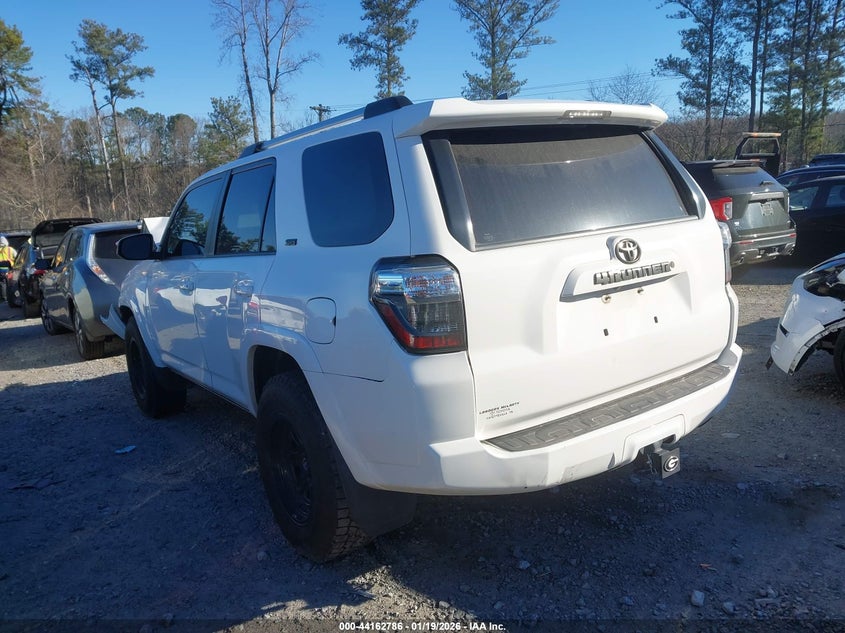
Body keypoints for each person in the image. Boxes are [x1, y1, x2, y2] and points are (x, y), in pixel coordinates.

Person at [0, 235, 18, 302]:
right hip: (10, 268)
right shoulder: (10, 249)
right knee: (11, 283)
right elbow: (17, 257)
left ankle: (4, 298)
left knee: (3, 283)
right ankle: (12, 296)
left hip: (0, 269)